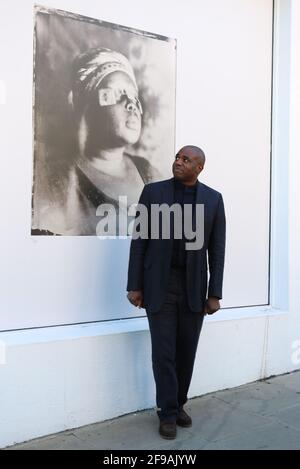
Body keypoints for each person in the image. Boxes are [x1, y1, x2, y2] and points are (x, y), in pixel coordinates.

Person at [127, 145, 226, 439]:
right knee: (164, 353)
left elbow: (217, 250)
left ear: (200, 167)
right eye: (177, 157)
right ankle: (167, 412)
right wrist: (134, 285)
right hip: (161, 284)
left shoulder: (213, 199)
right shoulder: (153, 193)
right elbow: (139, 241)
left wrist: (214, 293)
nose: (178, 162)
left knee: (186, 351)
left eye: (186, 159)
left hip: (194, 287)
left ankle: (179, 402)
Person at [32, 47, 160, 235]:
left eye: (134, 96)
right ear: (87, 107)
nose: (131, 104)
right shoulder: (55, 183)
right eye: (117, 94)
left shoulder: (150, 173)